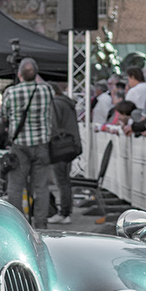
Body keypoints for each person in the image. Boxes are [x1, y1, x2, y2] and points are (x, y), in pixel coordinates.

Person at [0, 58, 54, 230]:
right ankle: (41, 225)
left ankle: (19, 226)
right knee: (42, 188)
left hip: (20, 145)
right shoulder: (46, 90)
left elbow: (4, 115)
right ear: (36, 74)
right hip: (42, 144)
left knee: (15, 187)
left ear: (19, 73)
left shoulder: (11, 92)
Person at [48, 82, 80, 222]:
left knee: (62, 181)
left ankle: (64, 213)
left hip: (60, 146)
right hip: (71, 144)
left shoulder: (56, 103)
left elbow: (54, 125)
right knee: (65, 180)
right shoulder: (66, 102)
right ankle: (66, 212)